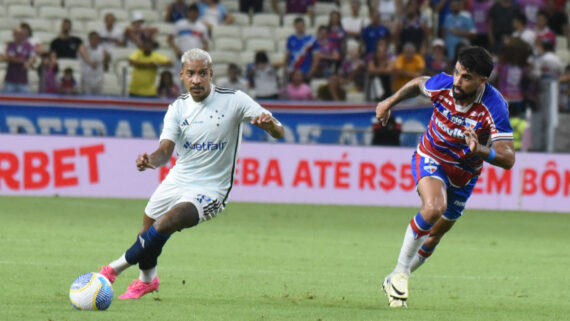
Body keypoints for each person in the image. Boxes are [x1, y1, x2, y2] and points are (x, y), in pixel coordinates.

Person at [97, 48, 284, 299]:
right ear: (182, 75)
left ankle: (112, 270)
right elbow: (165, 151)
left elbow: (280, 131)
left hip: (211, 189)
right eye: (191, 74)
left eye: (202, 74)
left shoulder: (234, 100)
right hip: (179, 178)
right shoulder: (177, 108)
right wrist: (150, 160)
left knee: (167, 222)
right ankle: (147, 281)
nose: (197, 80)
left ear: (211, 74)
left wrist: (271, 126)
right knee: (147, 230)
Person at [375, 46, 515, 307]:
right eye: (458, 73)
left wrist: (481, 150)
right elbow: (418, 83)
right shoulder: (443, 84)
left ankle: (393, 277)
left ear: (482, 81)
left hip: (464, 174)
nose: (458, 82)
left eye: (467, 77)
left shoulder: (494, 106)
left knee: (435, 235)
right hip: (431, 156)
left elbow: (508, 158)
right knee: (434, 207)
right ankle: (401, 273)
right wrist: (387, 102)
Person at [2, 27, 35, 93]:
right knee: (8, 100)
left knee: (25, 100)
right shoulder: (10, 45)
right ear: (14, 35)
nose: (19, 36)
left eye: (21, 34)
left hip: (23, 80)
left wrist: (29, 62)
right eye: (17, 34)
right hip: (10, 80)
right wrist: (23, 61)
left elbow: (33, 57)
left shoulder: (28, 45)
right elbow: (9, 57)